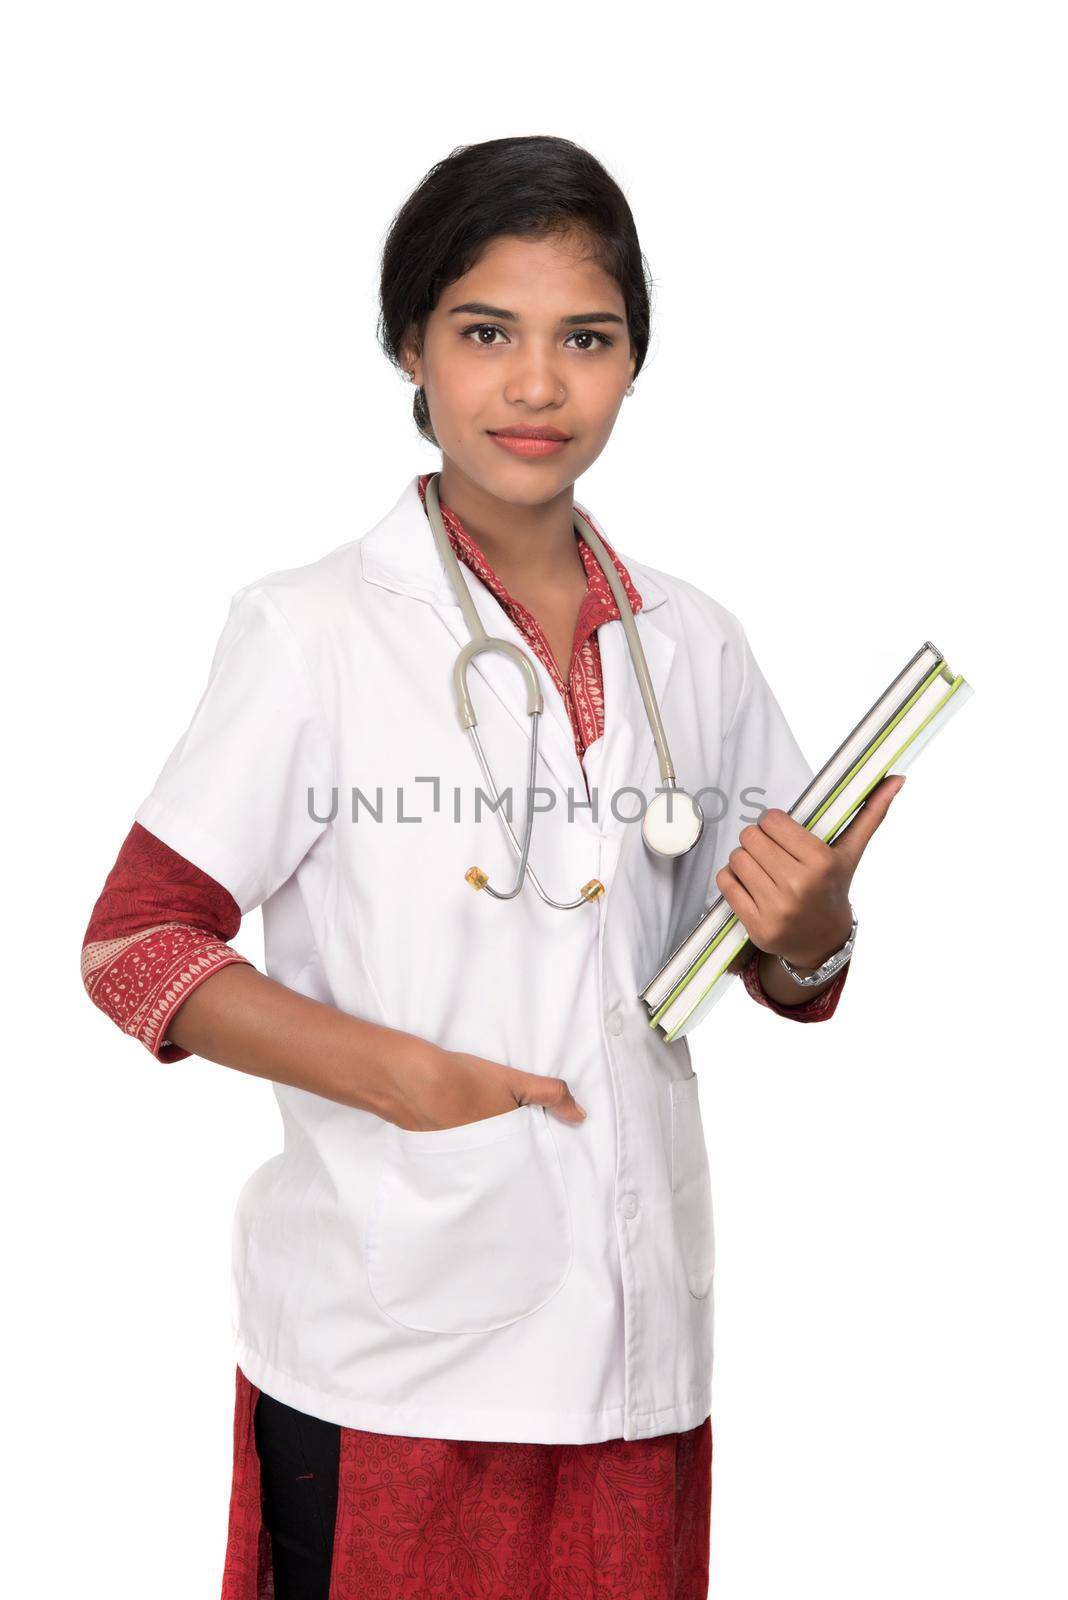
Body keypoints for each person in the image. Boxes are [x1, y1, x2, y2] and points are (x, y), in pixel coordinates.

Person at [81, 135, 903, 1600]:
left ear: (635, 360)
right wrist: (409, 1077)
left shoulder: (692, 642)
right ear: (410, 346)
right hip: (393, 1355)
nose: (537, 385)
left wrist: (817, 925)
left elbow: (778, 970)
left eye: (584, 337)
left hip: (634, 1350)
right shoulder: (313, 629)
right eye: (485, 333)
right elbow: (139, 943)